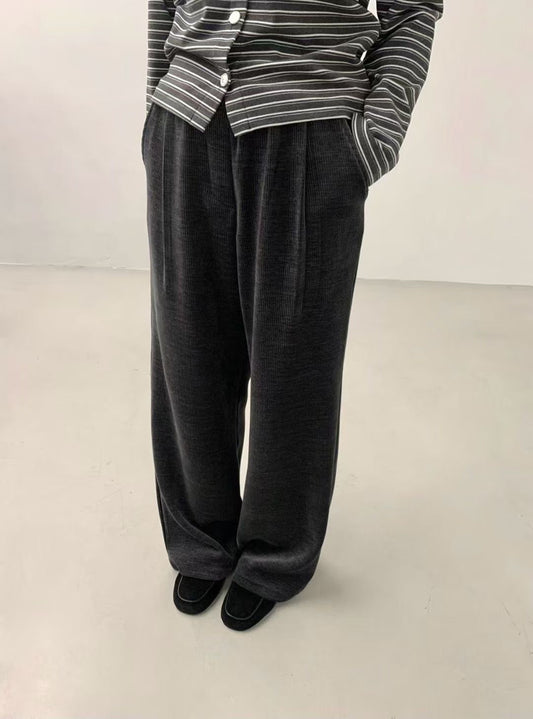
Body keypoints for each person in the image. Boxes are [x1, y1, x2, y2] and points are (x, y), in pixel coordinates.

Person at [141, 0, 444, 631]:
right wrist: (155, 103)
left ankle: (275, 554)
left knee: (295, 360)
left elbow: (412, 9)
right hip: (185, 119)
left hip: (308, 127)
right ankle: (201, 537)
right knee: (186, 348)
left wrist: (375, 136)